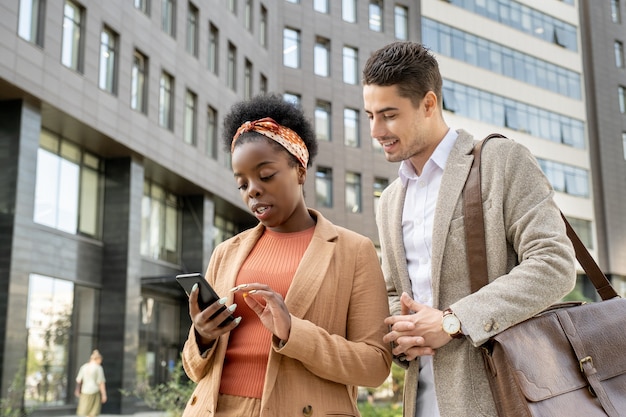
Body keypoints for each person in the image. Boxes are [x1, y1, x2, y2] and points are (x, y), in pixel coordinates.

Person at [361, 41, 577, 417]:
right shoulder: (390, 199)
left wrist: (453, 321)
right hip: (423, 400)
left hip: (502, 395)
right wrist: (402, 336)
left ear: (429, 104)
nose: (376, 130)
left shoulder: (501, 160)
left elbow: (554, 263)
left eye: (389, 115)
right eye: (369, 115)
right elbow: (396, 290)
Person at [180, 94, 392, 417]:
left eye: (265, 176)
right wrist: (203, 336)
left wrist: (294, 332)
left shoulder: (354, 251)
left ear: (300, 170)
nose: (252, 190)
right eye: (242, 183)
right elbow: (194, 370)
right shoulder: (225, 253)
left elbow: (376, 365)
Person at [75, 349, 107, 417]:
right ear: (97, 359)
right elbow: (101, 382)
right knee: (93, 412)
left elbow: (79, 380)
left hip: (85, 392)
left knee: (84, 412)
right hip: (94, 391)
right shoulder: (98, 368)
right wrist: (104, 394)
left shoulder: (84, 367)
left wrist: (77, 390)